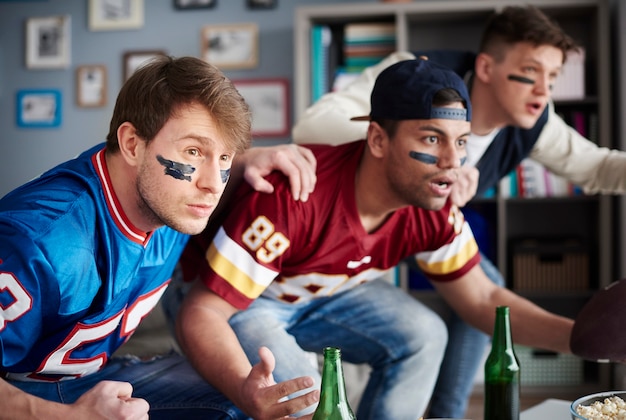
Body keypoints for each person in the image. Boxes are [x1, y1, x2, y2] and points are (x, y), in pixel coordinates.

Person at [169, 57, 575, 420]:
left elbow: (485, 300)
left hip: (320, 294)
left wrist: (584, 337)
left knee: (425, 334)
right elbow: (202, 313)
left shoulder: (432, 202)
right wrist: (244, 387)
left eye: (462, 142)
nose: (453, 163)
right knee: (313, 401)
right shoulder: (297, 193)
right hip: (241, 298)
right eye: (432, 139)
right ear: (378, 139)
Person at [291, 5, 626, 418]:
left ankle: (446, 411)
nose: (544, 91)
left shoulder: (535, 120)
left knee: (482, 289)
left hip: (427, 223)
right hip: (373, 211)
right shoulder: (416, 78)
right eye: (532, 72)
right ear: (485, 67)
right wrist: (416, 154)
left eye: (553, 78)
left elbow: (596, 167)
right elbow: (314, 126)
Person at [0, 55, 320, 419]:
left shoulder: (173, 200)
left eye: (225, 157)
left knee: (258, 399)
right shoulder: (42, 238)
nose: (213, 184)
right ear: (133, 144)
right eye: (193, 152)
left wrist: (253, 158)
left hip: (96, 376)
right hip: (26, 394)